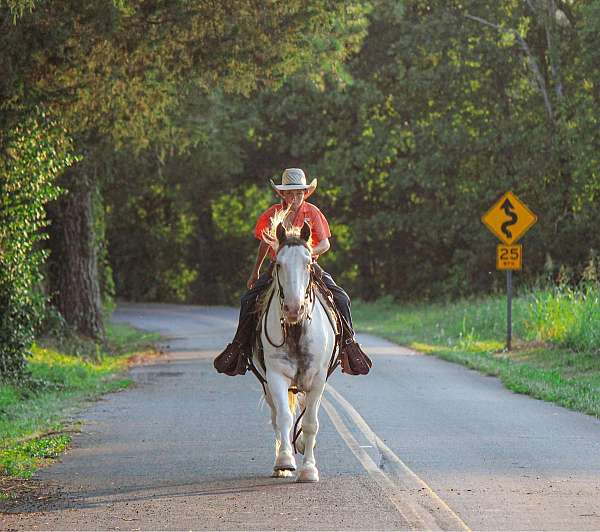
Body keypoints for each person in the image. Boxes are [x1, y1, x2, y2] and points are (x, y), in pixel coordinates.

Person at [214, 168, 372, 376]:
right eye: (291, 192)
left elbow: (324, 244)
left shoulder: (312, 212)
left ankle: (348, 346)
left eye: (299, 192)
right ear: (283, 194)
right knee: (248, 300)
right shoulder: (273, 214)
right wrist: (256, 271)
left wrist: (303, 254)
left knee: (341, 297)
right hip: (278, 266)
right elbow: (264, 245)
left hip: (307, 265)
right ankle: (240, 348)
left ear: (305, 193)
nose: (295, 196)